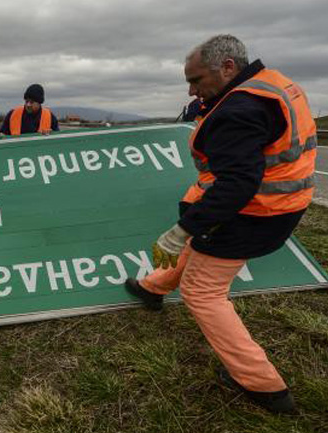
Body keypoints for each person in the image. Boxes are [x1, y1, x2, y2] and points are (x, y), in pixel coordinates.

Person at [125, 34, 316, 413]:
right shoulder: (274, 85)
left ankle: (263, 385)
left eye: (196, 80)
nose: (192, 90)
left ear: (228, 67)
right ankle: (152, 288)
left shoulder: (238, 111)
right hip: (285, 204)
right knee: (201, 248)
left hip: (252, 214)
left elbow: (236, 186)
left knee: (202, 291)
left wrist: (181, 230)